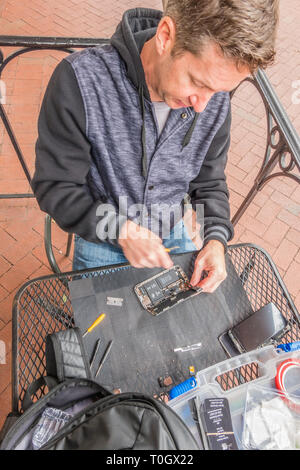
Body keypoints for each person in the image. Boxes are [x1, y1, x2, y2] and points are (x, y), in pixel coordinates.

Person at [32, 0, 278, 292]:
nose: (203, 106)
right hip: (102, 236)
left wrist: (215, 239)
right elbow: (56, 187)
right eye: (197, 82)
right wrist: (122, 231)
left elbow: (208, 182)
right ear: (164, 36)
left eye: (220, 91)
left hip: (171, 230)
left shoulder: (212, 101)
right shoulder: (81, 81)